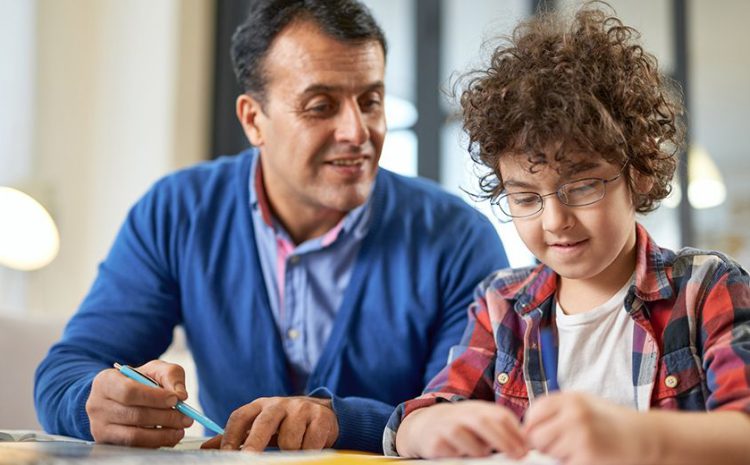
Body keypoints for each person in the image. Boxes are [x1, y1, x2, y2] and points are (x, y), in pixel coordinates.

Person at [34, 0, 508, 454]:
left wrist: (340, 421)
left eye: (371, 100)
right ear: (253, 119)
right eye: (321, 106)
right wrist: (95, 402)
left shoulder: (458, 238)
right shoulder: (177, 212)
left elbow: (471, 416)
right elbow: (64, 374)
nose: (357, 132)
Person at [385, 4, 750, 465]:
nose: (555, 220)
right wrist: (428, 426)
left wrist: (639, 437)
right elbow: (422, 417)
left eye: (580, 187)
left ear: (636, 173)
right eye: (525, 197)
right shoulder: (500, 306)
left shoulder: (707, 288)